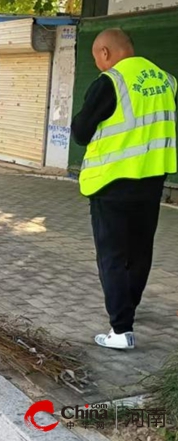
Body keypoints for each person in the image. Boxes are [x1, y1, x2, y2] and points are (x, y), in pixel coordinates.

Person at [71, 28, 177, 350]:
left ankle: (120, 330)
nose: (98, 66)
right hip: (151, 181)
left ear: (105, 53)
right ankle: (129, 307)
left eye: (96, 59)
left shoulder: (111, 82)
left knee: (113, 257)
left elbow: (80, 131)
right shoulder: (167, 81)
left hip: (112, 183)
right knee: (140, 251)